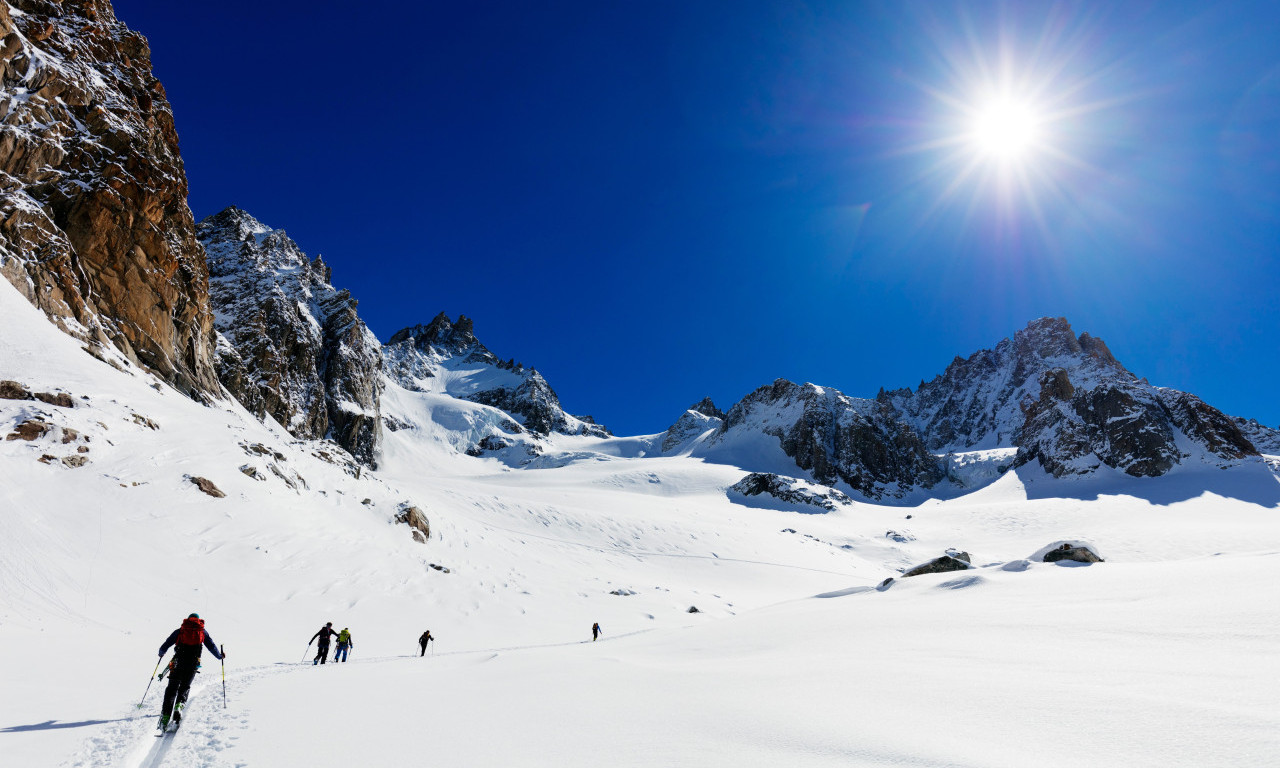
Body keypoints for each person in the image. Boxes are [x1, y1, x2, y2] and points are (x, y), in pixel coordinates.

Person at [156, 613, 223, 730]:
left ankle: (165, 716)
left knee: (171, 689)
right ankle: (179, 707)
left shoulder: (180, 630)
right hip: (192, 664)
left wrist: (161, 653)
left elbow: (166, 643)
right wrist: (219, 656)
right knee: (184, 687)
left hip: (178, 663)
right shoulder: (202, 631)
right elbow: (211, 646)